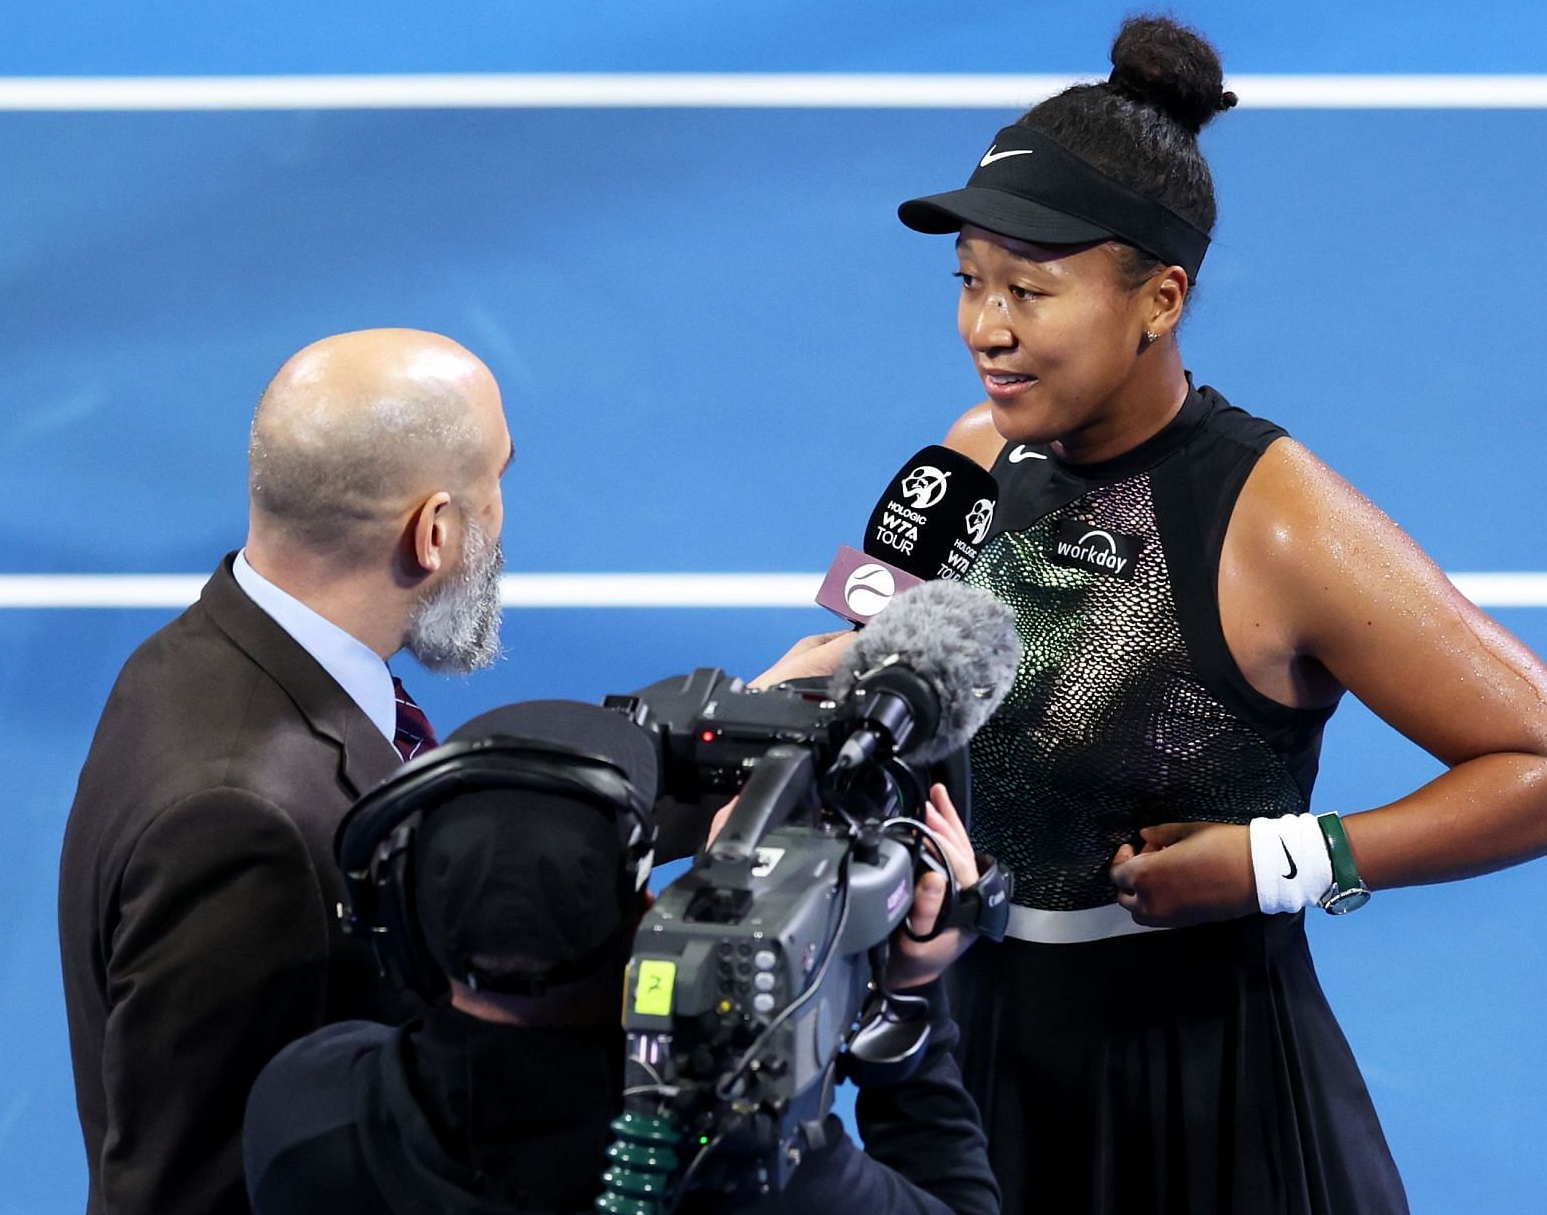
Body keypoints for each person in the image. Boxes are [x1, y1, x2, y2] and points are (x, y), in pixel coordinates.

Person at [892, 16, 1547, 1214]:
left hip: (1201, 1097)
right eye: (969, 282)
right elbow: (855, 654)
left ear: (1159, 298)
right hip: (970, 1056)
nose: (987, 327)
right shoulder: (962, 459)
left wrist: (1287, 861)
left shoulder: (1281, 524)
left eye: (1030, 287)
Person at [58, 328, 515, 1215]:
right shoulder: (243, 826)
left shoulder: (217, 652)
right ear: (433, 532)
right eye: (496, 482)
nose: (503, 514)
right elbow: (187, 1195)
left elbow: (440, 823)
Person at [242, 699, 1001, 1215]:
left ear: (403, 921)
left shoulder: (306, 1114)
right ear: (649, 926)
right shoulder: (760, 1177)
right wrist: (910, 1002)